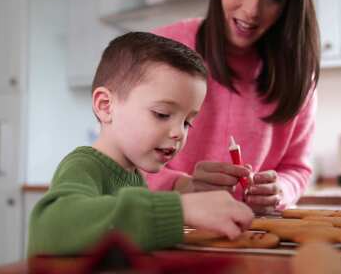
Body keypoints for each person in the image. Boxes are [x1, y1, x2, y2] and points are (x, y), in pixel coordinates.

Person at [27, 32, 253, 256]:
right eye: (162, 114)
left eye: (187, 122)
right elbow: (52, 227)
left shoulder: (135, 176)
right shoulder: (83, 166)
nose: (178, 133)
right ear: (106, 106)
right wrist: (181, 209)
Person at [146, 0, 320, 213]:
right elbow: (118, 162)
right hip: (167, 228)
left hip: (253, 238)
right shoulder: (159, 50)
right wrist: (181, 186)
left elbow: (297, 168)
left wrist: (280, 189)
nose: (252, 10)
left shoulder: (298, 74)